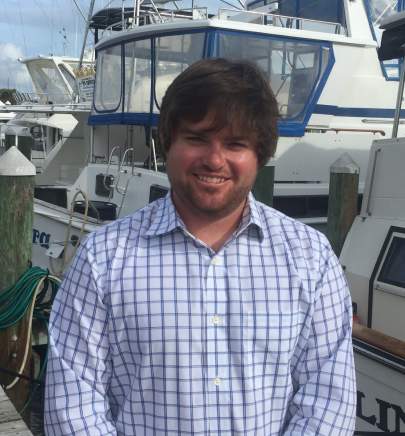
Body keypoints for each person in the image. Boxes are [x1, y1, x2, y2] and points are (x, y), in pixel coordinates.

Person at [44, 58, 356, 435]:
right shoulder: (102, 257)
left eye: (235, 144)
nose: (214, 159)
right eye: (196, 138)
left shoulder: (311, 258)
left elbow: (327, 403)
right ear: (168, 141)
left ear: (260, 154)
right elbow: (74, 405)